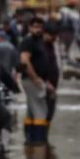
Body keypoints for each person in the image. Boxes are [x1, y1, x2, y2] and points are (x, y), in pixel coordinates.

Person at [19, 17, 52, 145]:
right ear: (30, 28)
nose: (38, 29)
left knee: (31, 111)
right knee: (40, 111)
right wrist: (36, 78)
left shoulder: (39, 41)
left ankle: (30, 139)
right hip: (31, 80)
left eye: (40, 27)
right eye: (35, 27)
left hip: (37, 80)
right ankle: (39, 140)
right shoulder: (28, 41)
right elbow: (24, 60)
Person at [43, 23, 61, 124]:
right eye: (52, 35)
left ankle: (44, 137)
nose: (54, 38)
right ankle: (39, 137)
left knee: (50, 112)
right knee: (44, 113)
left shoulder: (52, 46)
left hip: (53, 86)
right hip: (45, 85)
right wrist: (46, 83)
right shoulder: (41, 47)